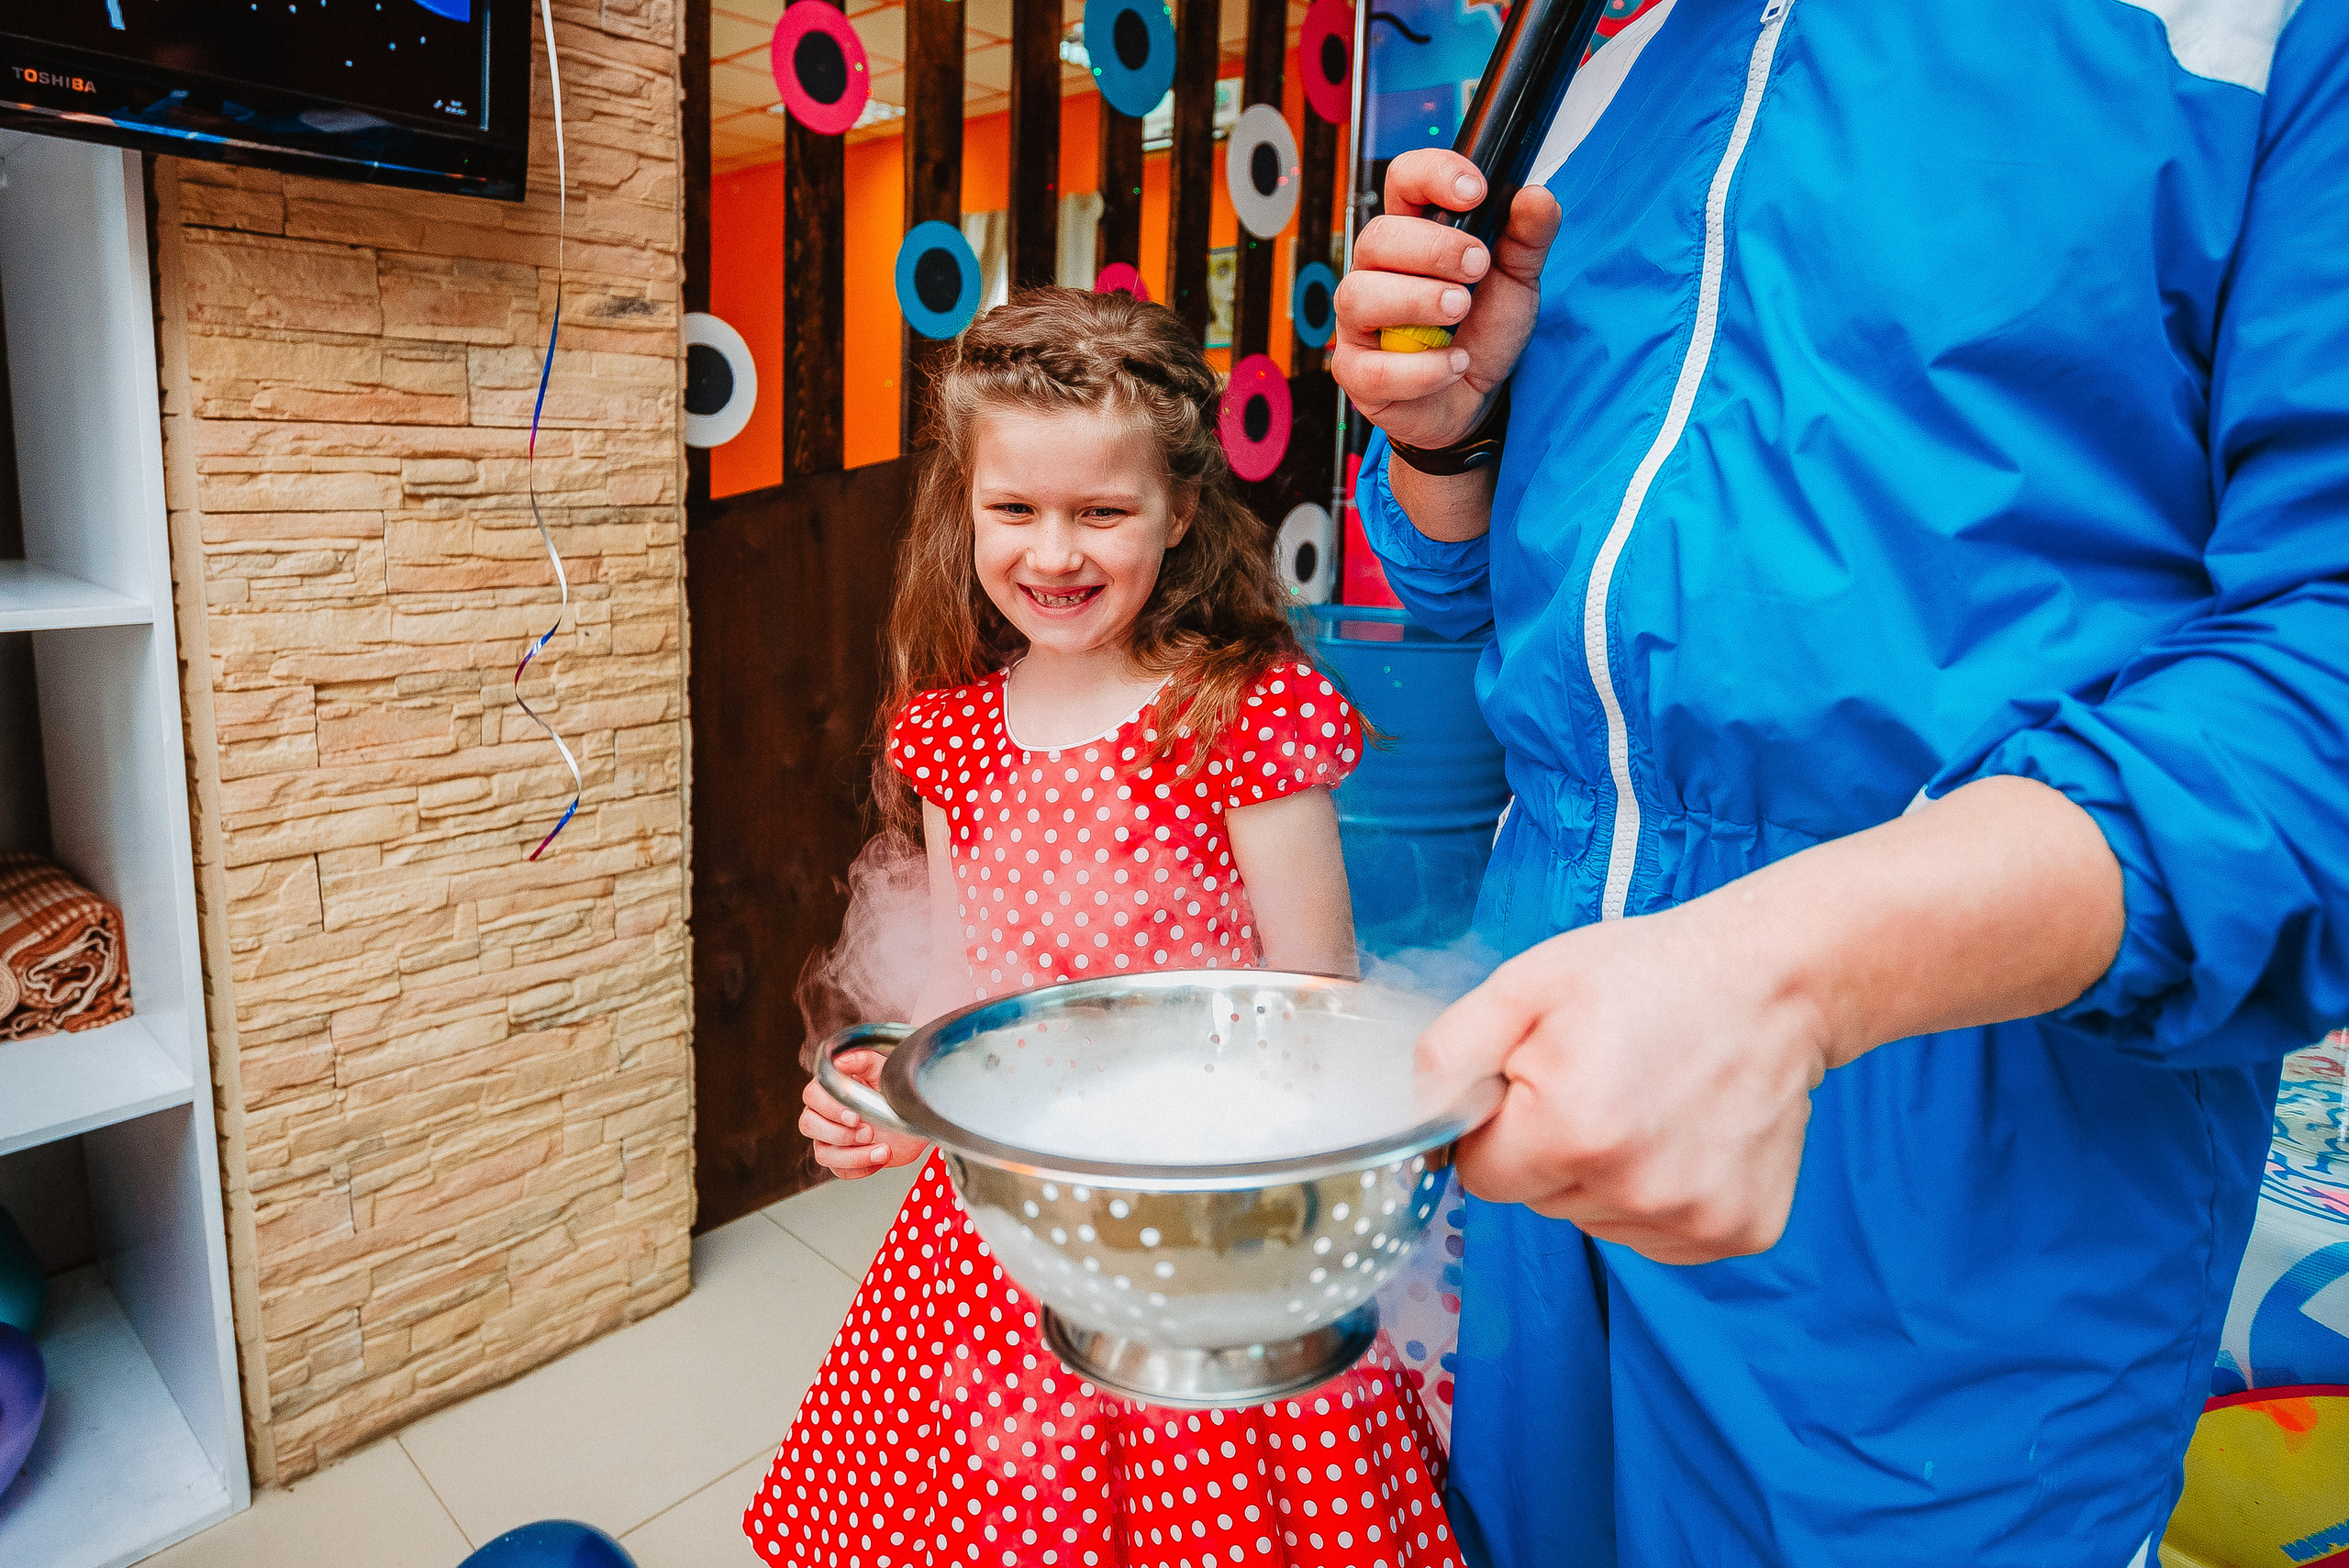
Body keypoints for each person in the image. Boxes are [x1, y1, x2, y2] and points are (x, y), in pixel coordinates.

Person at [1328, 2, 2349, 1564]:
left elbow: (2320, 670)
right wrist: (1450, 444)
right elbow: (1497, 617)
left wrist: (1792, 975)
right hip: (1553, 1066)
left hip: (1965, 1129)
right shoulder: (1598, 52)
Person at [743, 289, 1461, 1568]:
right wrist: (883, 1096)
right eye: (1013, 509)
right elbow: (969, 1013)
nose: (1053, 552)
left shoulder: (1244, 710)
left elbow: (1320, 1015)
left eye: (1101, 511)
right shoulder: (954, 734)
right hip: (1005, 1241)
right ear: (964, 510)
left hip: (1209, 1230)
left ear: (1179, 511)